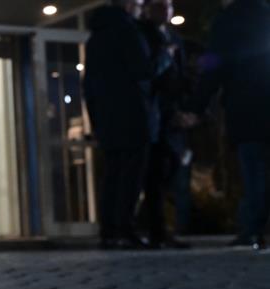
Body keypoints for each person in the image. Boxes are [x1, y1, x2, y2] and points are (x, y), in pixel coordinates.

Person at [83, 0, 173, 249]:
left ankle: (109, 230)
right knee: (130, 177)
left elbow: (88, 85)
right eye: (138, 3)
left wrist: (96, 119)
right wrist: (166, 56)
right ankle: (124, 229)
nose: (141, 9)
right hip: (134, 115)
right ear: (126, 4)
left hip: (108, 118)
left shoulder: (96, 38)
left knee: (112, 175)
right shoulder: (128, 32)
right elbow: (144, 70)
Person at [188, 0, 270, 250]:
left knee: (254, 171)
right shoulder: (265, 14)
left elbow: (214, 65)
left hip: (248, 108)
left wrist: (196, 106)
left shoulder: (228, 21)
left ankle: (253, 231)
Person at [139, 0, 191, 249]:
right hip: (153, 116)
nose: (165, 10)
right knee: (155, 176)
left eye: (168, 5)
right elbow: (146, 75)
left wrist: (186, 110)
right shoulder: (143, 35)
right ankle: (155, 228)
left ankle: (163, 227)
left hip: (171, 116)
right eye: (159, 6)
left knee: (170, 172)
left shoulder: (174, 37)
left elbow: (181, 75)